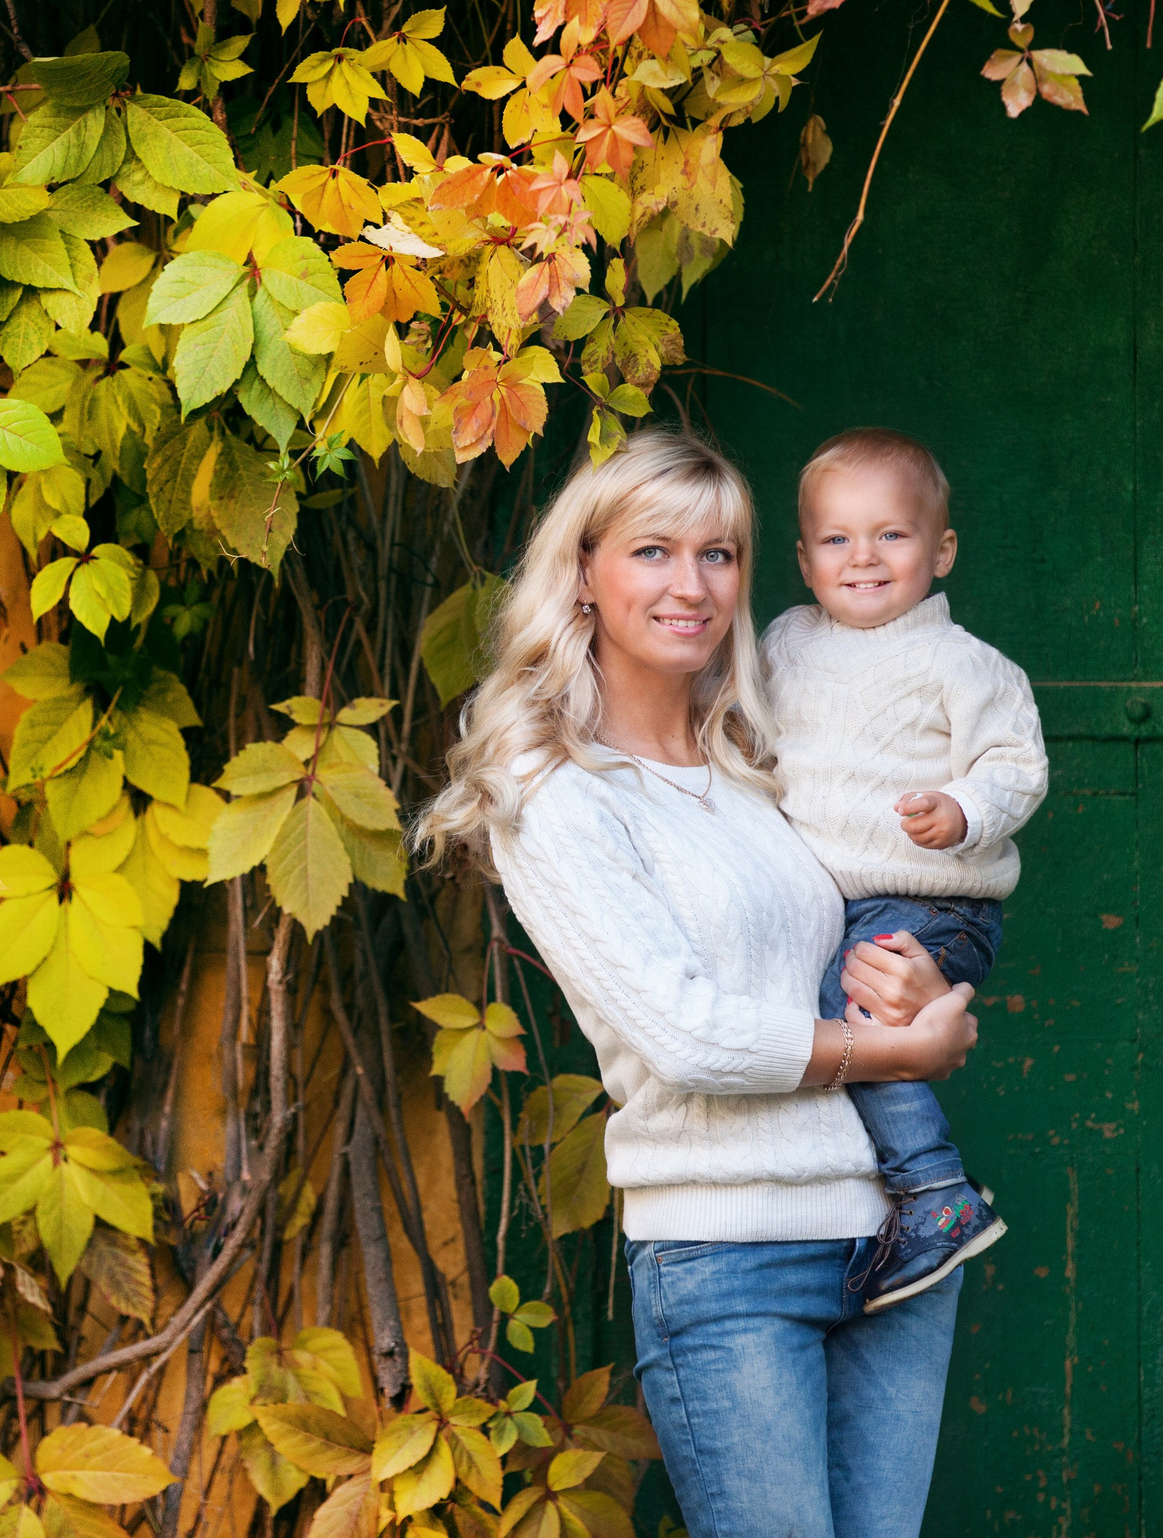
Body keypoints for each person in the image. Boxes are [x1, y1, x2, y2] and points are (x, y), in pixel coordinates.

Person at [414, 430, 984, 1538]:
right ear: (584, 572)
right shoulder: (560, 792)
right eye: (652, 552)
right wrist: (893, 1056)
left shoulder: (756, 767)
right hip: (728, 1261)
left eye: (719, 555)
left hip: (885, 1245)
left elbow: (850, 935)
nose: (691, 585)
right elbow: (688, 1036)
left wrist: (906, 981)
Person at [761, 427, 1048, 1310]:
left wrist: (963, 811)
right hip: (831, 902)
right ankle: (894, 1194)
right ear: (805, 559)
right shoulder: (783, 642)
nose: (864, 558)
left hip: (932, 903)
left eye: (892, 535)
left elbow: (1015, 765)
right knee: (822, 1003)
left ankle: (935, 1194)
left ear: (941, 549)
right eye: (838, 539)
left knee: (850, 1007)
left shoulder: (963, 664)